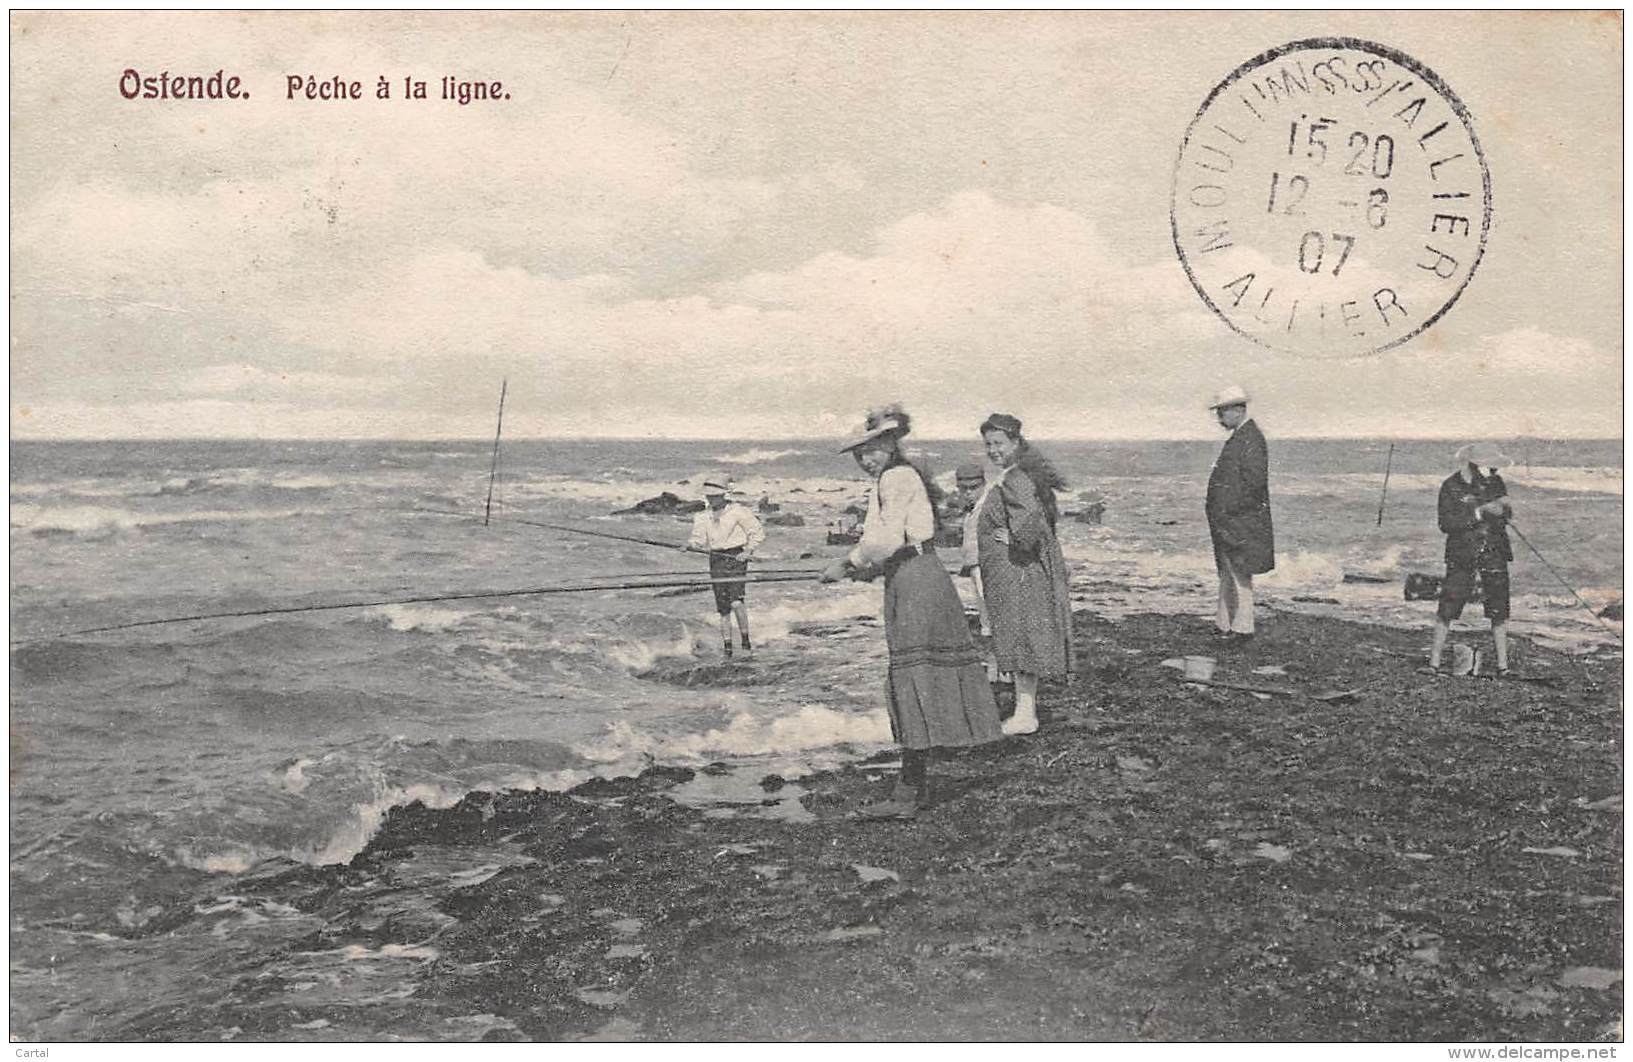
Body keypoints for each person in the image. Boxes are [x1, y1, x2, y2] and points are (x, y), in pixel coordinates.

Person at [820, 406, 1002, 818]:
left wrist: (847, 564)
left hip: (917, 579)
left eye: (873, 450)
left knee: (912, 675)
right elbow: (892, 542)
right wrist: (867, 568)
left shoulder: (896, 477)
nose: (866, 460)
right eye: (859, 455)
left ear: (890, 444)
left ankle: (908, 793)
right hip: (909, 574)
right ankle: (911, 784)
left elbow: (884, 541)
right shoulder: (896, 477)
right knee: (914, 675)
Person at [976, 413, 1073, 735]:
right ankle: (1024, 711)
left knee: (1021, 641)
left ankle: (1025, 715)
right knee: (1020, 640)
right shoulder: (1018, 474)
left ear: (1016, 442)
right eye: (988, 444)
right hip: (1014, 572)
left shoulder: (1015, 477)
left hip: (1017, 572)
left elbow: (1029, 518)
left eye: (999, 443)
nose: (993, 450)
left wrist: (1016, 540)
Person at [1427, 443, 1514, 676]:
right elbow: (1445, 524)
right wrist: (1478, 513)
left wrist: (1503, 510)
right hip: (1461, 554)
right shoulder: (1450, 486)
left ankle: (1503, 666)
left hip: (1494, 551)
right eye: (1490, 466)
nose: (1494, 471)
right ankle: (1433, 663)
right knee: (1448, 606)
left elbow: (1507, 513)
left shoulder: (1495, 482)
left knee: (1499, 610)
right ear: (1473, 464)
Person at [1204, 385, 1275, 640]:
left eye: (1222, 412)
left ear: (1238, 410)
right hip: (1231, 521)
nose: (1219, 418)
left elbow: (1254, 484)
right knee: (1228, 573)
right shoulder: (1242, 438)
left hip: (1239, 522)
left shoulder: (1250, 439)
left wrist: (1228, 510)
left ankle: (1243, 628)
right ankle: (1224, 623)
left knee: (1239, 575)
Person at [687, 475, 765, 659]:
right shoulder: (702, 516)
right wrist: (690, 545)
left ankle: (745, 641)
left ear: (723, 495)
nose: (710, 499)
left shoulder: (738, 511)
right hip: (716, 559)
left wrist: (748, 551)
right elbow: (698, 539)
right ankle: (728, 646)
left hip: (736, 557)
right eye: (708, 496)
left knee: (737, 602)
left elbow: (757, 532)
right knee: (723, 608)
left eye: (714, 496)